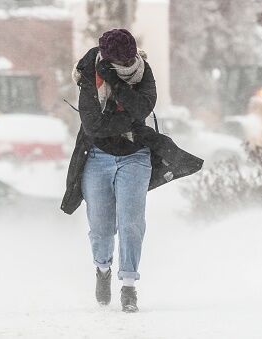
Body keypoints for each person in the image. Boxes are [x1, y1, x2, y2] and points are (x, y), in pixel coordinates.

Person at [61, 29, 204, 313]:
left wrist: (115, 82)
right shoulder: (89, 73)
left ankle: (128, 286)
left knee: (131, 222)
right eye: (120, 64)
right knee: (101, 227)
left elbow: (142, 107)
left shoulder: (143, 71)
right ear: (107, 58)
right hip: (97, 156)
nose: (127, 67)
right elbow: (94, 127)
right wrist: (131, 121)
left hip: (136, 156)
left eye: (129, 61)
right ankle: (102, 269)